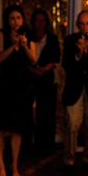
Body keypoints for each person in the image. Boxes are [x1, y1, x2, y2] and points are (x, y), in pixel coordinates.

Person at [0, 5, 37, 176]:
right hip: (4, 85)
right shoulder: (2, 33)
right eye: (12, 18)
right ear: (7, 20)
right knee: (1, 127)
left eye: (18, 18)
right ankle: (0, 167)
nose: (16, 22)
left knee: (17, 128)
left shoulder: (29, 34)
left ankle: (15, 166)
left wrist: (25, 46)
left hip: (21, 86)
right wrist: (13, 46)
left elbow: (34, 60)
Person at [61, 11, 88, 173]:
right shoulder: (71, 40)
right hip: (74, 89)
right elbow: (66, 65)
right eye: (81, 23)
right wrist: (78, 52)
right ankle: (68, 161)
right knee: (72, 125)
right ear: (77, 25)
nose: (84, 27)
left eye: (87, 23)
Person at [28, 9, 61, 155]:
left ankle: (45, 147)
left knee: (46, 114)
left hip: (47, 79)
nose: (40, 24)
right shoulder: (27, 37)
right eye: (37, 20)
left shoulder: (52, 38)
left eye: (42, 20)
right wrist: (33, 70)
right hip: (30, 78)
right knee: (27, 112)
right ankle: (27, 145)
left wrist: (44, 69)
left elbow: (55, 57)